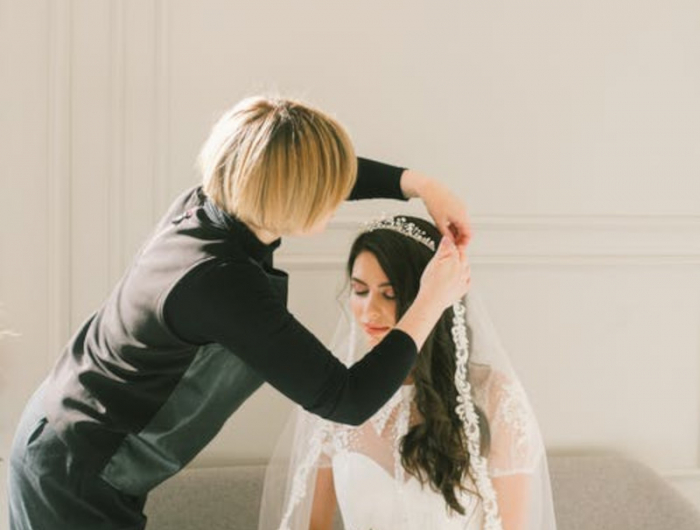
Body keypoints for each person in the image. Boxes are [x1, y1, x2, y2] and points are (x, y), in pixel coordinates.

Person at [7, 97, 471, 530]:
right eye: (325, 187)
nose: (338, 193)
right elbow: (346, 398)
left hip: (66, 438)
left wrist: (417, 185)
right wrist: (432, 298)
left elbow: (297, 169)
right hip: (74, 469)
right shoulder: (220, 283)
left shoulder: (208, 202)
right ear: (291, 195)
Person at [258, 216, 557, 530]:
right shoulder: (336, 398)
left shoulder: (492, 396)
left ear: (429, 297)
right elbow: (312, 525)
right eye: (360, 291)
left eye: (389, 294)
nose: (370, 311)